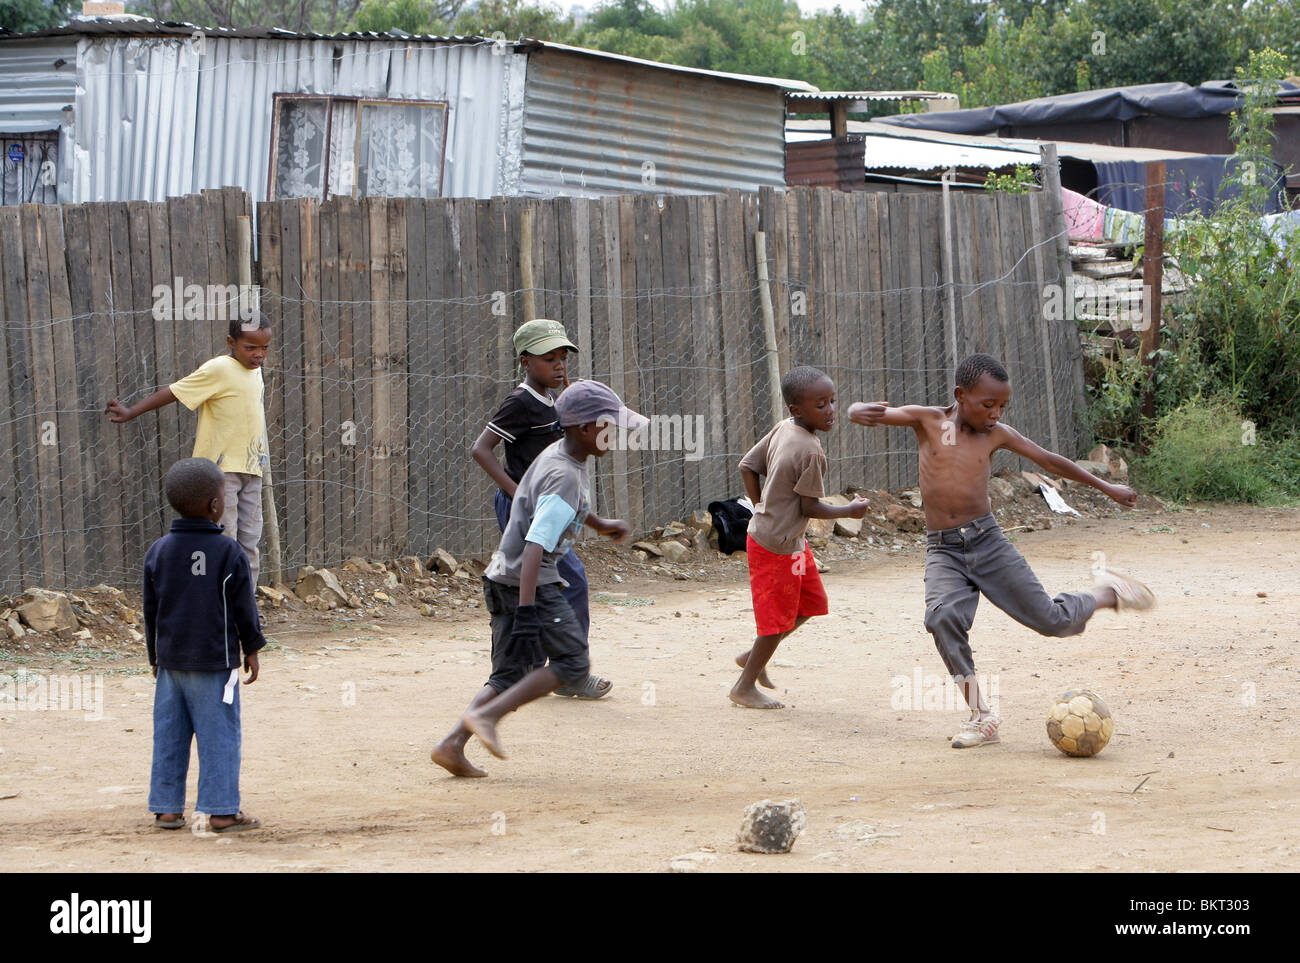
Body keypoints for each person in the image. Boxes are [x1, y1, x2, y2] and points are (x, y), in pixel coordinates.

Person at [847, 353, 1155, 748]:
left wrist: (1107, 487)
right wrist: (858, 410)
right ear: (961, 395)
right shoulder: (928, 421)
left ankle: (1106, 593)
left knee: (1052, 621)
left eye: (1002, 406)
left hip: (987, 542)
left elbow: (1049, 460)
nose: (995, 414)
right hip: (943, 549)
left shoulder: (996, 434)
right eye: (987, 404)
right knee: (941, 619)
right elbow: (877, 414)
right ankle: (981, 716)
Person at [432, 380, 642, 776]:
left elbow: (551, 509)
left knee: (511, 674)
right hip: (529, 583)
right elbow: (534, 545)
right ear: (584, 429)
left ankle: (451, 745)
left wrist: (598, 524)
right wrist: (528, 610)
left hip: (503, 578)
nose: (616, 435)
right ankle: (489, 717)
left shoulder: (559, 455)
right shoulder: (565, 473)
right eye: (610, 426)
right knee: (573, 662)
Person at [470, 318, 611, 700]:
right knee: (566, 579)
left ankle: (526, 672)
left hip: (549, 506)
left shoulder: (555, 398)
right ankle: (565, 672)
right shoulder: (521, 402)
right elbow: (481, 450)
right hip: (526, 506)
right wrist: (519, 494)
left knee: (533, 583)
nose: (559, 365)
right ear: (525, 362)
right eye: (549, 359)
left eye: (563, 357)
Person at [731, 366, 870, 709]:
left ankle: (754, 657)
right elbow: (810, 506)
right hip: (774, 547)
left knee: (810, 604)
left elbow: (747, 466)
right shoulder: (810, 450)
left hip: (788, 542)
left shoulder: (784, 428)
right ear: (797, 409)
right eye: (821, 404)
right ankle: (744, 686)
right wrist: (848, 511)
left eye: (833, 401)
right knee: (776, 619)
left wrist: (760, 505)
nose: (831, 410)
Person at [145, 458, 264, 832]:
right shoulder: (228, 553)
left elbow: (151, 609)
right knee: (219, 735)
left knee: (169, 734)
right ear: (215, 506)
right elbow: (244, 607)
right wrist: (252, 648)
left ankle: (166, 808)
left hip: (170, 665)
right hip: (214, 665)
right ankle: (222, 810)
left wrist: (154, 656)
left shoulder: (159, 551)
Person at [107, 313, 271, 584]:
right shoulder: (219, 368)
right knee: (222, 540)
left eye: (264, 348)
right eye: (250, 347)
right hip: (220, 472)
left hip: (252, 469)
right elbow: (176, 391)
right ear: (231, 342)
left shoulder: (255, 372)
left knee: (250, 541)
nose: (259, 354)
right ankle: (219, 606)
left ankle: (245, 607)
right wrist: (132, 411)